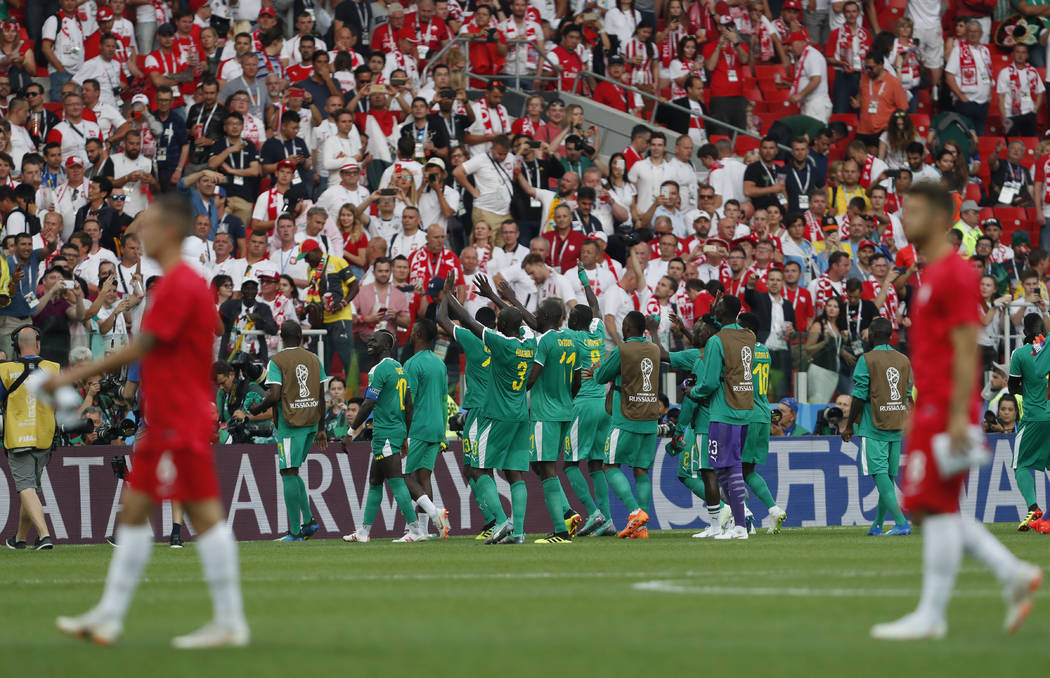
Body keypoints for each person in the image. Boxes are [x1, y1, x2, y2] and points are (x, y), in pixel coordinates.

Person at [50, 195, 248, 648]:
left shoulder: (179, 285)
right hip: (170, 414)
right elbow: (214, 329)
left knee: (202, 515)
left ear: (172, 233)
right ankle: (110, 615)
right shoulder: (184, 285)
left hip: (180, 414)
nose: (139, 234)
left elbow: (145, 346)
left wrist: (74, 373)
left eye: (149, 226)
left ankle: (228, 620)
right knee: (139, 510)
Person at [870, 182, 1040, 641]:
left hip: (947, 408)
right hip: (932, 404)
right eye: (905, 209)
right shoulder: (929, 276)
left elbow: (969, 349)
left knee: (932, 506)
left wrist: (960, 415)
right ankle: (1011, 573)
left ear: (943, 219)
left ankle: (934, 613)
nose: (906, 218)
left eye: (916, 210)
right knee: (929, 507)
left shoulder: (955, 276)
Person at [444, 282, 535, 545]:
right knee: (515, 473)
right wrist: (498, 297)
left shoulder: (500, 343)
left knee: (478, 469)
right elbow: (519, 320)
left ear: (501, 327)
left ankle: (501, 520)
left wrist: (450, 295)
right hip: (520, 415)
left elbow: (467, 320)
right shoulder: (529, 342)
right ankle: (518, 532)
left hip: (496, 416)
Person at [339, 330, 427, 544]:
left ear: (386, 345)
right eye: (369, 339)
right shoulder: (400, 368)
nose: (369, 342)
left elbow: (369, 403)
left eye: (374, 340)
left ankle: (416, 530)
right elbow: (409, 406)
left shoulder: (379, 369)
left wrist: (351, 432)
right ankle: (363, 532)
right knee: (376, 480)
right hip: (393, 431)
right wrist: (404, 435)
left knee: (396, 481)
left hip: (386, 431)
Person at [249, 321, 328, 542]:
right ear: (301, 337)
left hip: (290, 425)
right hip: (312, 423)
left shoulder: (276, 361)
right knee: (293, 472)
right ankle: (309, 522)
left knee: (288, 472)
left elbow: (274, 395)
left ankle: (295, 532)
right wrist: (321, 428)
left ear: (282, 338)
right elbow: (322, 395)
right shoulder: (314, 359)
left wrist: (257, 409)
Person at [591, 310, 667, 540]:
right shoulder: (654, 349)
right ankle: (641, 528)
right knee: (641, 470)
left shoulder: (622, 350)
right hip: (649, 419)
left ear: (627, 328)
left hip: (626, 417)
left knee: (610, 466)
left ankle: (635, 512)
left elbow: (601, 377)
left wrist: (596, 369)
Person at [435, 285, 500, 540]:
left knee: (474, 468)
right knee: (485, 467)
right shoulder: (502, 341)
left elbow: (441, 319)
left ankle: (495, 520)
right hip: (500, 409)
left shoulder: (473, 340)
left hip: (478, 410)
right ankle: (493, 520)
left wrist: (446, 295)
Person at [841, 317, 912, 537]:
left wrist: (850, 425)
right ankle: (878, 525)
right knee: (888, 478)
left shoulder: (867, 359)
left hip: (874, 426)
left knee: (879, 474)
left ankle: (901, 522)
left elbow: (859, 395)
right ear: (891, 335)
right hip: (897, 424)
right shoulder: (903, 359)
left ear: (871, 335)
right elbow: (908, 393)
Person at [563, 272, 615, 536]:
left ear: (573, 321)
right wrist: (584, 280)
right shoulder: (596, 334)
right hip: (603, 406)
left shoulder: (572, 339)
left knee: (570, 464)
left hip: (582, 406)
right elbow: (595, 306)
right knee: (596, 465)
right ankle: (606, 519)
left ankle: (593, 513)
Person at [0, 326, 60, 550]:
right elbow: (58, 401)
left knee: (26, 487)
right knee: (31, 488)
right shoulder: (53, 369)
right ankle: (20, 539)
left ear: (15, 346)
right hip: (44, 436)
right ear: (38, 344)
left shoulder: (6, 371)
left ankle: (44, 536)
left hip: (18, 437)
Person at [400, 319, 452, 541]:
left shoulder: (411, 364)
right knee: (424, 477)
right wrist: (443, 433)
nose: (411, 334)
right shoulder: (440, 364)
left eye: (413, 331)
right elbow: (443, 400)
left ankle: (434, 514)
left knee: (400, 476)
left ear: (419, 334)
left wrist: (403, 431)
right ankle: (421, 531)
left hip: (417, 427)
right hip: (436, 427)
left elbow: (407, 401)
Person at [735, 312, 787, 534]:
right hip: (763, 413)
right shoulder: (764, 350)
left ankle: (744, 517)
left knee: (730, 470)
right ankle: (773, 509)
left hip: (746, 414)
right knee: (748, 470)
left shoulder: (742, 351)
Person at [1007, 313, 1050, 532]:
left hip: (1034, 416)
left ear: (1024, 331)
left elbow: (1012, 388)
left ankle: (1033, 508)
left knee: (1020, 465)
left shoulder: (1021, 354)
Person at [299, 239, 360, 377]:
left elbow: (355, 286)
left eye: (306, 257)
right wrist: (307, 309)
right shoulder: (311, 269)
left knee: (348, 358)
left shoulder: (337, 262)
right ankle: (323, 395)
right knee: (321, 360)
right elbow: (315, 293)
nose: (306, 261)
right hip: (321, 321)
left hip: (340, 318)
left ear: (316, 251)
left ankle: (355, 397)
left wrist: (343, 303)